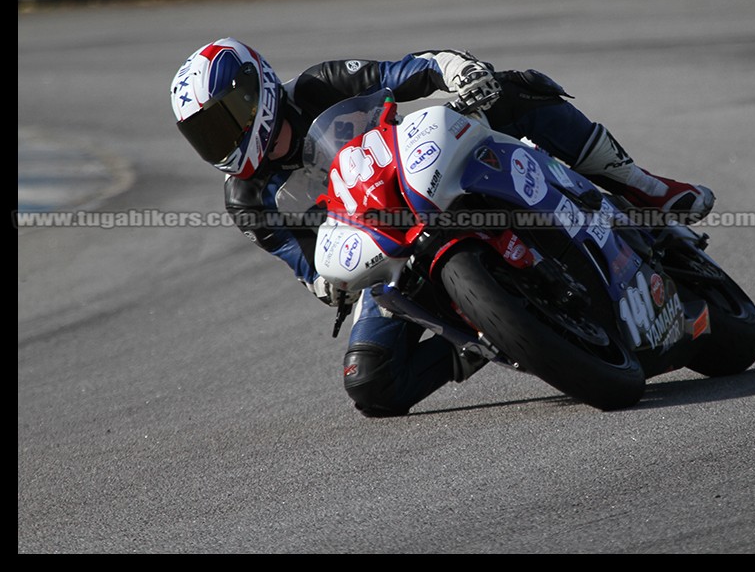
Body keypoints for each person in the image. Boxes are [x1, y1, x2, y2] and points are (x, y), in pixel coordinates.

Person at [170, 37, 714, 417]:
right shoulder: (245, 197)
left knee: (509, 92)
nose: (220, 140)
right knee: (371, 383)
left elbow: (406, 71)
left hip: (421, 173)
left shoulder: (317, 86)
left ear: (254, 90)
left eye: (223, 119)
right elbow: (305, 265)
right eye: (204, 134)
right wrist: (327, 284)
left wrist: (456, 71)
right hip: (382, 249)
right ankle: (489, 334)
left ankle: (639, 184)